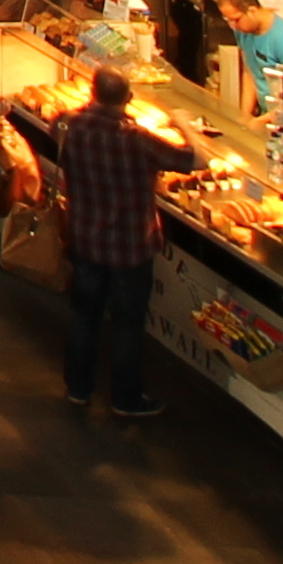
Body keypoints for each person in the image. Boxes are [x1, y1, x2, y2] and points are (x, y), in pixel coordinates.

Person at [55, 69, 187, 418]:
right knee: (127, 325)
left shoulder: (68, 124)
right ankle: (126, 399)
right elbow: (192, 160)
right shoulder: (137, 139)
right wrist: (186, 125)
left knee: (84, 315)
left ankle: (78, 389)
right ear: (128, 99)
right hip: (130, 246)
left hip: (85, 238)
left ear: (91, 90)